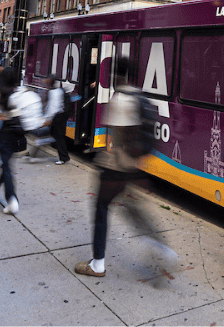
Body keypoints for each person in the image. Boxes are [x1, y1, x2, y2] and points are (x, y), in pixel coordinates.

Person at [75, 57, 176, 278]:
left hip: (117, 167)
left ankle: (97, 264)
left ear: (115, 75)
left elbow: (119, 137)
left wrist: (110, 156)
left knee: (101, 208)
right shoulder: (138, 95)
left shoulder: (120, 98)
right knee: (132, 210)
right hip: (134, 166)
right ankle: (161, 249)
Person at [0, 67, 39, 215]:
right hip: (20, 130)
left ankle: (11, 199)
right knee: (6, 162)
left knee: (6, 166)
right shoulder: (16, 90)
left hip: (7, 129)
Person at [23, 76, 65, 164]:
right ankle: (32, 155)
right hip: (57, 117)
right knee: (50, 136)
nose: (45, 81)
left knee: (48, 136)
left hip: (55, 117)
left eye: (47, 80)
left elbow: (53, 108)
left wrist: (47, 119)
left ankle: (63, 158)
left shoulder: (53, 92)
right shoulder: (58, 91)